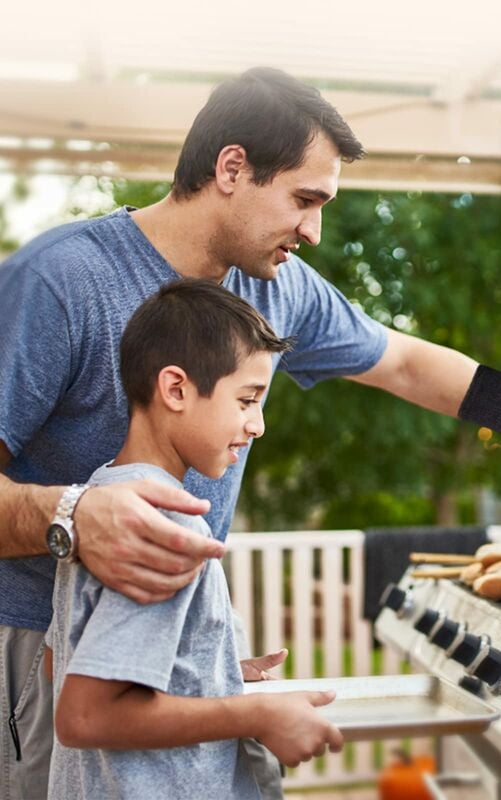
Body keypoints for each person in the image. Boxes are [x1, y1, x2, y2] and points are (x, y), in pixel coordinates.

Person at [0, 66, 501, 799]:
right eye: (305, 200)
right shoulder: (61, 283)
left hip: (147, 649)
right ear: (232, 168)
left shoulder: (272, 287)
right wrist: (70, 517)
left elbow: (400, 361)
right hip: (30, 646)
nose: (313, 230)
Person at [43, 279, 342, 799]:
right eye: (247, 400)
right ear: (176, 389)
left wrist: (210, 670)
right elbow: (86, 715)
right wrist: (255, 711)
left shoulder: (103, 499)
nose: (258, 425)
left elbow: (61, 660)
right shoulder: (166, 522)